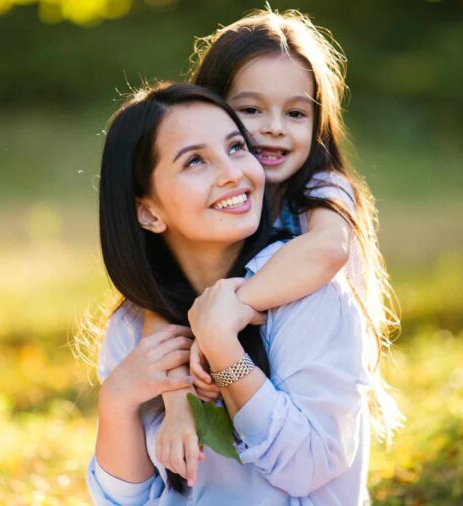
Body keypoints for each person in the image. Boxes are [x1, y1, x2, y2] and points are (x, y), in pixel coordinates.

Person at [86, 81, 375, 504]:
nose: (232, 173)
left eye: (237, 147)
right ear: (148, 211)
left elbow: (311, 467)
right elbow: (123, 501)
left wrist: (223, 349)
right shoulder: (133, 327)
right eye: (196, 161)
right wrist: (116, 402)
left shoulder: (310, 296)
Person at [150, 8, 403, 487]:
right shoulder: (219, 200)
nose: (274, 128)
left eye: (295, 113)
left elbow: (328, 251)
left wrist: (231, 308)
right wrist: (176, 403)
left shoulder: (323, 190)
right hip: (238, 378)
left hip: (310, 387)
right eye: (250, 110)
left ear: (318, 121)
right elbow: (158, 291)